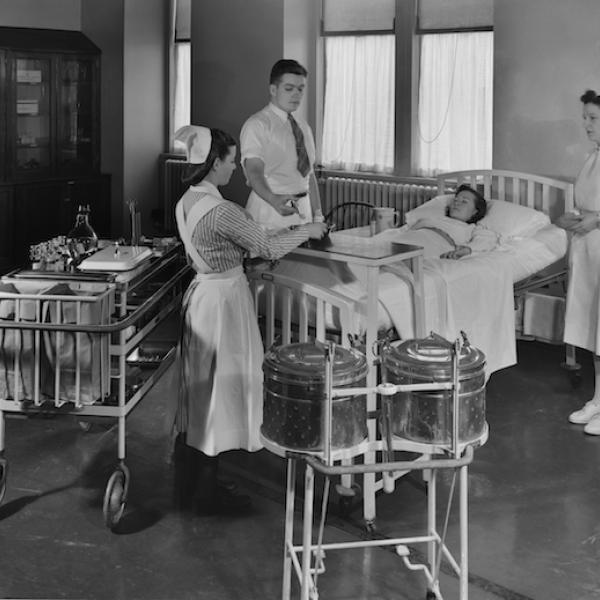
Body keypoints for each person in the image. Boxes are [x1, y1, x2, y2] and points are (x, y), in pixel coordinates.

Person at [171, 125, 328, 514]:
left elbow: (243, 246)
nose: (235, 169)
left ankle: (197, 482)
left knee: (203, 391)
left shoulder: (188, 201)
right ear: (213, 164)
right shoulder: (222, 210)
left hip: (203, 296)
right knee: (222, 391)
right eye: (229, 161)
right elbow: (268, 245)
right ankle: (206, 495)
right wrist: (307, 229)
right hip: (223, 301)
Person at [557, 89, 600, 435]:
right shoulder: (592, 158)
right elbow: (586, 203)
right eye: (585, 117)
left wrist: (596, 220)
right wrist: (570, 218)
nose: (585, 124)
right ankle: (599, 400)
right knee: (594, 330)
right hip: (588, 251)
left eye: (593, 118)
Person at [240, 59, 324, 229]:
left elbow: (309, 173)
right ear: (273, 89)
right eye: (289, 89)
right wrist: (273, 199)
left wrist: (318, 215)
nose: (296, 94)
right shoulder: (258, 125)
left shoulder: (303, 126)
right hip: (271, 211)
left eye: (301, 89)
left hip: (303, 212)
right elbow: (254, 171)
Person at [386, 184, 495, 259]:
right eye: (455, 200)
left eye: (464, 202)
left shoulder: (473, 228)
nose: (456, 203)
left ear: (475, 211)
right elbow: (406, 230)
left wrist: (467, 250)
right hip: (406, 239)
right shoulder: (435, 218)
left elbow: (486, 241)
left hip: (432, 246)